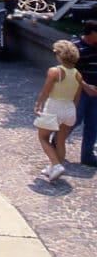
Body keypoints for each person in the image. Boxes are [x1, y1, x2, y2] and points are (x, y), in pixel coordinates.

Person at [33, 40, 83, 182]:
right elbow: (76, 98)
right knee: (60, 141)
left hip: (55, 106)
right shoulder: (78, 74)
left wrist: (38, 104)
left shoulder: (55, 71)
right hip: (70, 109)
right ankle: (55, 167)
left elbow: (46, 91)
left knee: (43, 137)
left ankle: (56, 165)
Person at [68, 21, 97, 166]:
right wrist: (85, 86)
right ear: (91, 33)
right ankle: (56, 142)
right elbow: (70, 71)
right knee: (75, 119)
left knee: (93, 124)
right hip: (80, 90)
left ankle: (87, 155)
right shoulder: (75, 47)